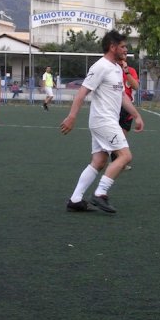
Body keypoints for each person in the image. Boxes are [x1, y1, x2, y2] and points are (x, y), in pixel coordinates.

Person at [60, 30, 144, 213]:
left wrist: (136, 115)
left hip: (107, 121)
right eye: (123, 46)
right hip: (103, 121)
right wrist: (71, 116)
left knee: (99, 162)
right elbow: (82, 93)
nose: (126, 50)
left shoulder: (117, 68)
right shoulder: (100, 66)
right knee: (125, 156)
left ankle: (75, 200)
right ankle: (100, 193)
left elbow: (122, 96)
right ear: (112, 47)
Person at [115, 56, 140, 170]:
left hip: (127, 106)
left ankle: (118, 161)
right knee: (112, 134)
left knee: (122, 136)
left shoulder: (131, 70)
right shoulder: (111, 69)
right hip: (113, 105)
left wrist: (127, 72)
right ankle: (113, 161)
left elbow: (136, 86)